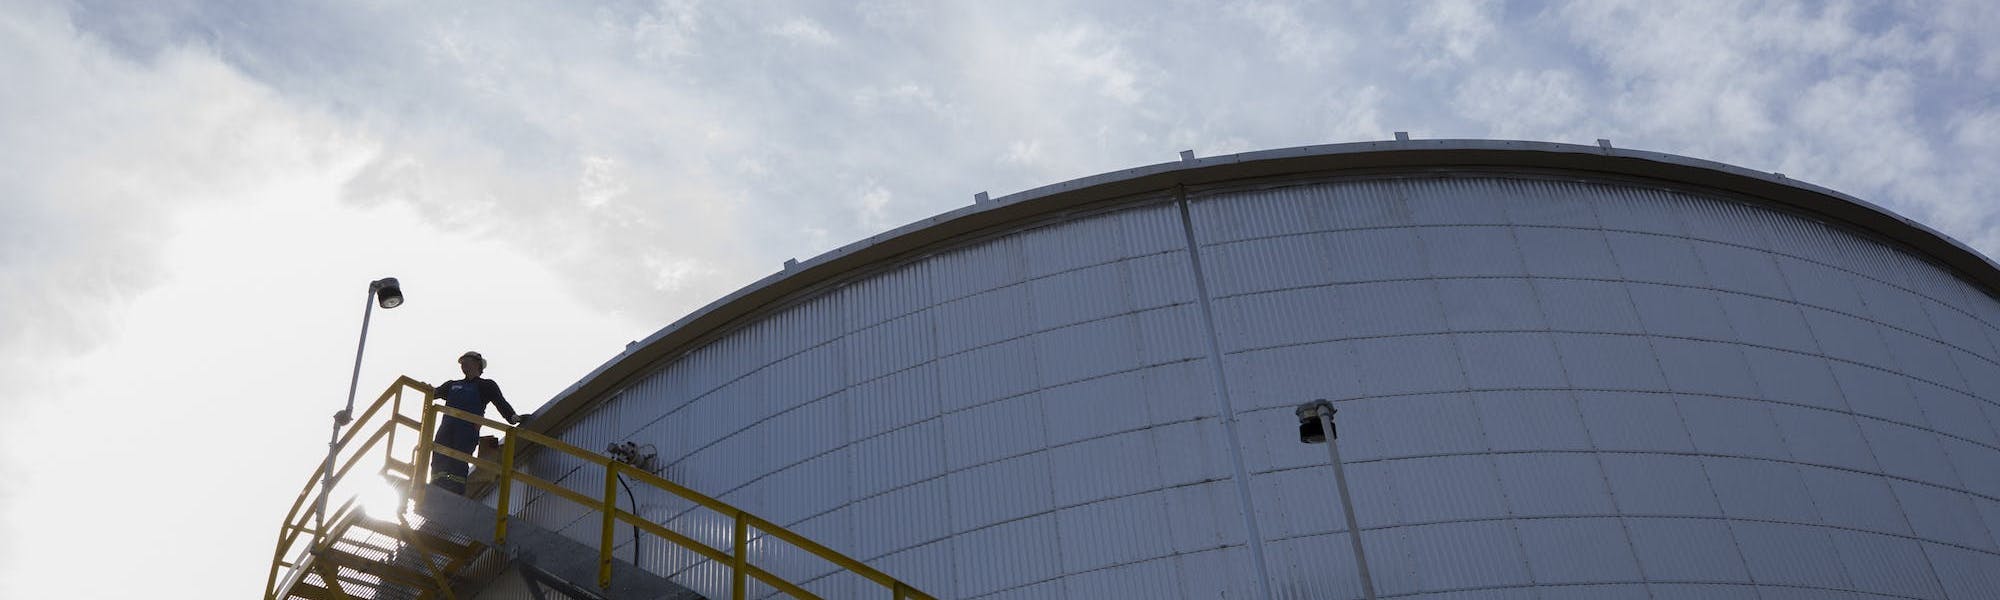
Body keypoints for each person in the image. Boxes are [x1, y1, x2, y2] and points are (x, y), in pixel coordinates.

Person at [430, 351, 521, 495]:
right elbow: (433, 393)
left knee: (459, 458)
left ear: (477, 363)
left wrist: (513, 417)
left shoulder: (486, 385)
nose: (463, 364)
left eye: (466, 361)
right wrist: (426, 389)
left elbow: (500, 402)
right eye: (461, 363)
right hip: (447, 427)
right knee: (439, 454)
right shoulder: (452, 385)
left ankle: (456, 489)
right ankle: (436, 484)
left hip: (466, 429)